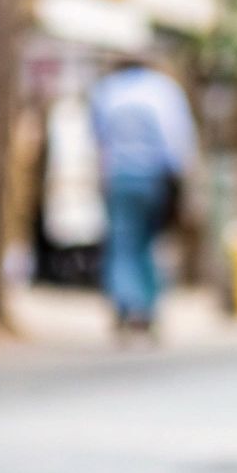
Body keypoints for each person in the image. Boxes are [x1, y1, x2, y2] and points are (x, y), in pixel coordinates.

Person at [89, 54, 197, 339]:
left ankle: (126, 304)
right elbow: (178, 139)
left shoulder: (107, 89)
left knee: (123, 242)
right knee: (149, 242)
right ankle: (147, 307)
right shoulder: (163, 89)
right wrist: (183, 179)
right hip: (154, 177)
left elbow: (98, 139)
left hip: (118, 176)